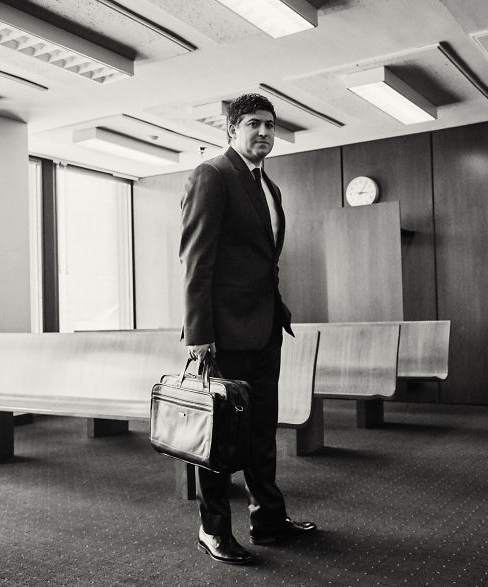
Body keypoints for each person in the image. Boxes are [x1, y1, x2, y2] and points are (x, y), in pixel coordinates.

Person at [180, 93, 317, 564]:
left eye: (270, 125)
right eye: (253, 123)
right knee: (219, 436)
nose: (263, 132)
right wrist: (199, 333)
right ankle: (213, 529)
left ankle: (269, 520)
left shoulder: (268, 186)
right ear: (232, 129)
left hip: (264, 328)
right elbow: (196, 260)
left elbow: (262, 261)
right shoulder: (212, 175)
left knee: (261, 430)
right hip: (222, 333)